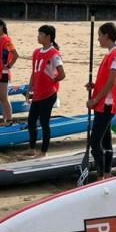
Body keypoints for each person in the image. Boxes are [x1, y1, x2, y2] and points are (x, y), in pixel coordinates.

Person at [85, 22, 116, 179]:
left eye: (100, 36)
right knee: (106, 141)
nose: (98, 39)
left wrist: (95, 99)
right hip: (103, 104)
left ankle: (100, 175)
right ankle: (108, 173)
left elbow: (112, 82)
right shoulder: (110, 54)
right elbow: (106, 81)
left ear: (107, 35)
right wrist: (94, 86)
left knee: (95, 143)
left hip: (106, 105)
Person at [26, 24, 65, 157]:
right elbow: (34, 72)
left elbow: (62, 74)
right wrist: (29, 89)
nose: (38, 36)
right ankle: (31, 148)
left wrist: (51, 82)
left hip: (48, 94)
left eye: (41, 34)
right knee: (31, 120)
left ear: (48, 37)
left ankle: (44, 151)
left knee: (44, 122)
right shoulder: (36, 52)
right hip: (37, 93)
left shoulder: (54, 53)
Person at [0, 18, 19, 125]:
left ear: (1, 27)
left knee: (4, 98)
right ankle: (4, 119)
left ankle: (10, 120)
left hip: (3, 72)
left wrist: (9, 65)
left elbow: (15, 54)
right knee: (0, 98)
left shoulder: (7, 40)